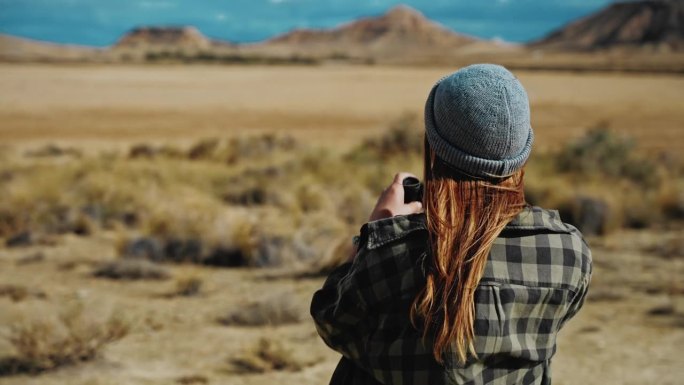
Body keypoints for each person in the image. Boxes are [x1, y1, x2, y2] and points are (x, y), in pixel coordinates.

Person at [311, 64, 592, 385]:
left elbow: (331, 321)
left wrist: (377, 231)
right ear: (522, 154)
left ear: (433, 148)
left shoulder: (391, 253)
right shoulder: (567, 251)